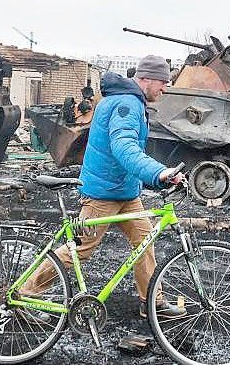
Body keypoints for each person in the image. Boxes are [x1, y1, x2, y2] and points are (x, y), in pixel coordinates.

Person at [21, 55, 186, 318]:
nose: (165, 88)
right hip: (103, 194)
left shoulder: (128, 100)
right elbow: (124, 148)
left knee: (145, 242)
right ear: (146, 79)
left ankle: (151, 302)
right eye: (163, 82)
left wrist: (149, 178)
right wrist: (159, 172)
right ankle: (26, 295)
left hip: (125, 191)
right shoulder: (127, 104)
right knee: (80, 251)